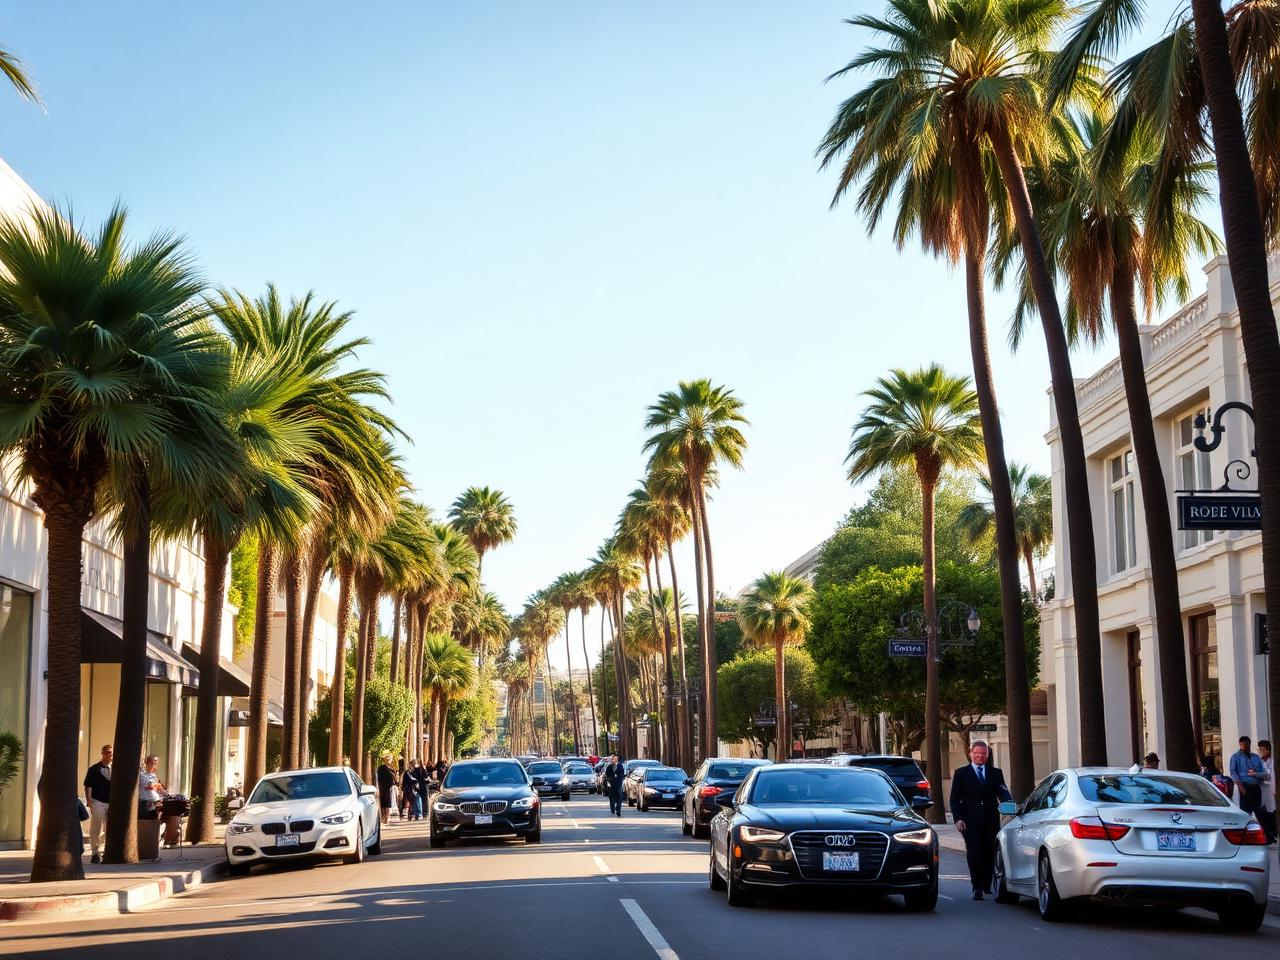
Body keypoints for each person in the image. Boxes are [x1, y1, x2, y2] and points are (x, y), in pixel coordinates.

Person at [949, 740, 1012, 901]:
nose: (980, 756)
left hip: (990, 820)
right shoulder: (961, 773)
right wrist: (958, 819)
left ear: (987, 755)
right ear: (970, 754)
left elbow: (1003, 792)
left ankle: (986, 884)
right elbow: (954, 799)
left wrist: (1009, 805)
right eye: (976, 753)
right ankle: (976, 886)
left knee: (989, 852)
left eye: (983, 754)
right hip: (969, 821)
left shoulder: (995, 773)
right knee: (975, 852)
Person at [83, 744, 112, 863]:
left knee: (111, 828)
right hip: (98, 801)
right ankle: (95, 853)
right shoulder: (94, 769)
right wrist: (89, 800)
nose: (110, 755)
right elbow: (88, 785)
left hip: (112, 803)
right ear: (103, 754)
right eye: (107, 752)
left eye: (111, 752)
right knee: (96, 826)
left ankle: (104, 849)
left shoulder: (117, 769)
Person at [1229, 736, 1267, 816]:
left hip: (1256, 787)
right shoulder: (1235, 757)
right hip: (1245, 787)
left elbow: (1263, 771)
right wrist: (1241, 787)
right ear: (1240, 744)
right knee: (1246, 812)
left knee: (1258, 811)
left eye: (1248, 744)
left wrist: (1257, 774)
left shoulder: (1256, 757)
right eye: (1244, 744)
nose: (1247, 746)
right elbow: (1233, 772)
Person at [1257, 740, 1276, 843]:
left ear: (1267, 751)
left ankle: (1272, 835)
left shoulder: (1272, 763)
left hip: (1270, 793)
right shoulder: (1263, 763)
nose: (1259, 751)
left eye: (1261, 750)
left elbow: (1268, 779)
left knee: (1270, 813)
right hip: (1265, 794)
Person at [138, 755, 165, 819]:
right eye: (153, 762)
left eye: (156, 763)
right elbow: (149, 786)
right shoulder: (142, 775)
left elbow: (159, 788)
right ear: (147, 763)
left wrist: (165, 793)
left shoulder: (153, 775)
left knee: (155, 822)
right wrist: (156, 785)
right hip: (145, 803)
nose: (155, 764)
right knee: (146, 822)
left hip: (155, 802)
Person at [375, 756, 396, 825]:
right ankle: (384, 816)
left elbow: (394, 778)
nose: (389, 761)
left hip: (389, 788)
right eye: (388, 760)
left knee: (388, 803)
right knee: (383, 803)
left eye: (390, 760)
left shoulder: (392, 769)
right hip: (383, 787)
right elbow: (379, 778)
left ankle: (387, 817)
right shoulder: (381, 768)